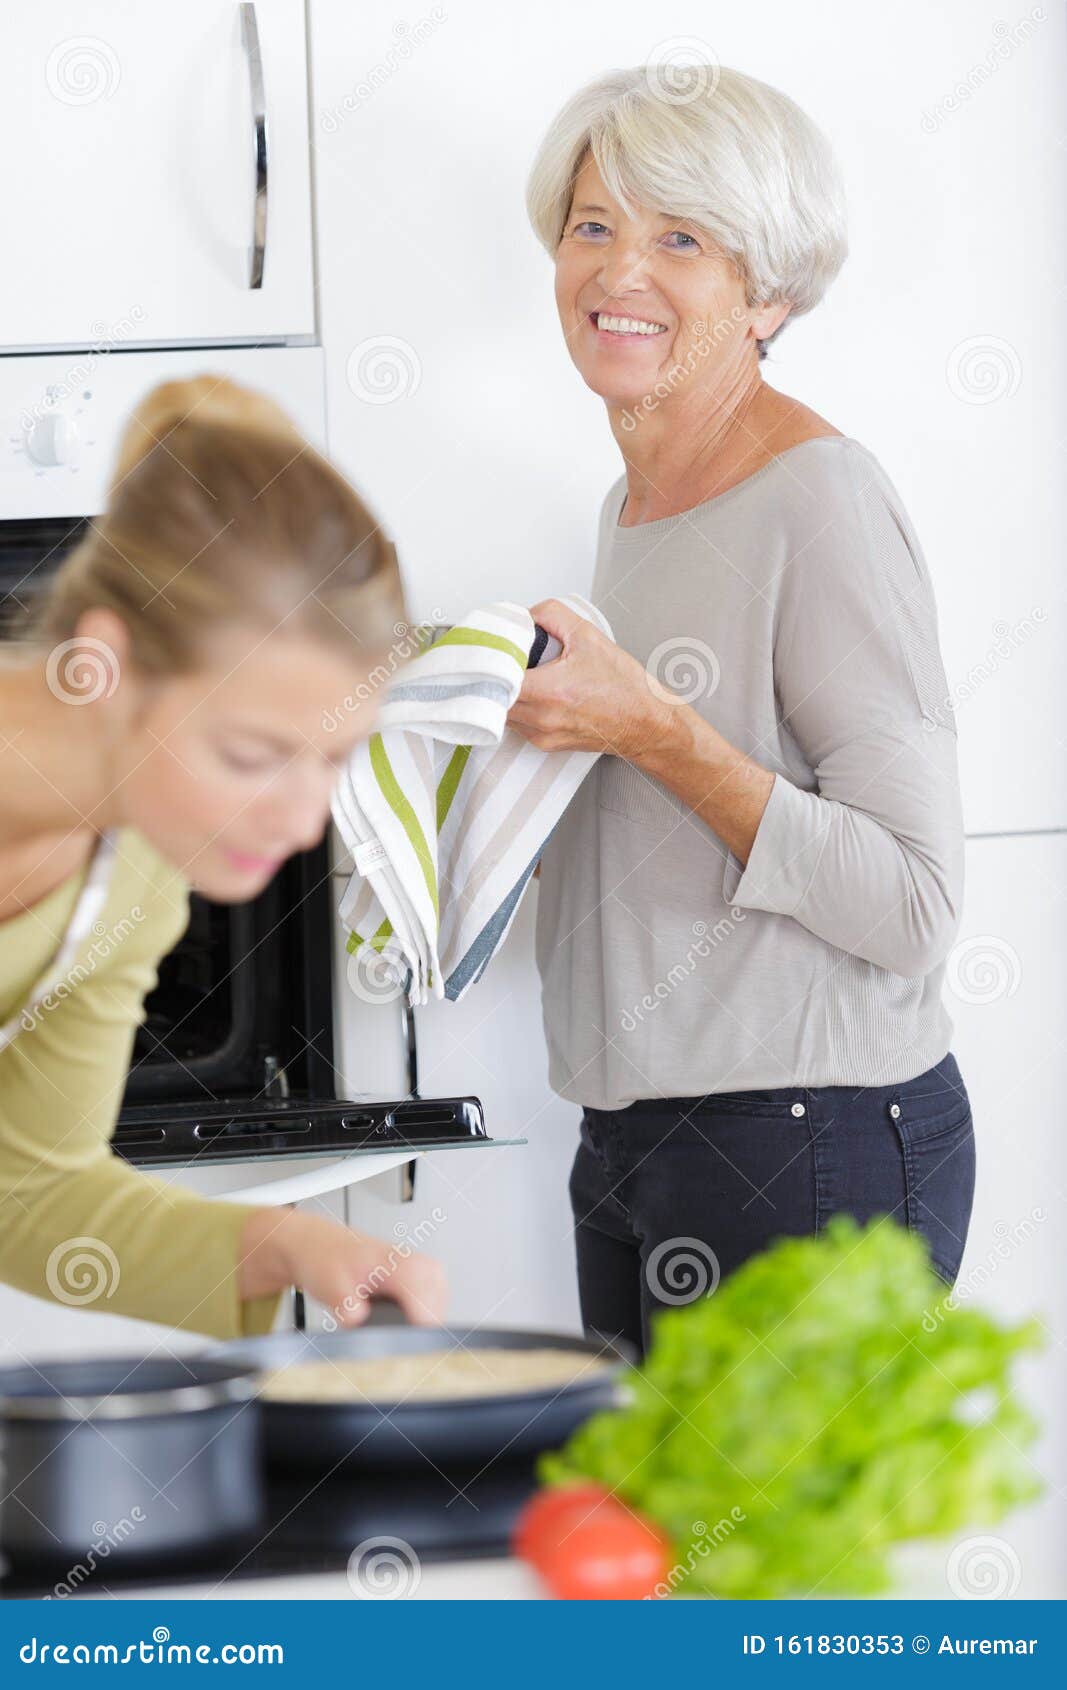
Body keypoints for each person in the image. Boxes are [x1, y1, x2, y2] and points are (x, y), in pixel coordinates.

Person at [511, 65, 974, 1354]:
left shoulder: (818, 498)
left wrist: (651, 727)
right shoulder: (632, 507)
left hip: (802, 1143)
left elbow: (912, 900)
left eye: (680, 239)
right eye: (592, 225)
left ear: (767, 294)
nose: (616, 274)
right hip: (639, 1141)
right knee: (662, 1561)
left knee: (752, 1561)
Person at [0, 375, 446, 1339]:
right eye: (251, 756)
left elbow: (27, 1194)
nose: (297, 822)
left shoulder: (129, 880)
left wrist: (290, 1248)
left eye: (330, 758)